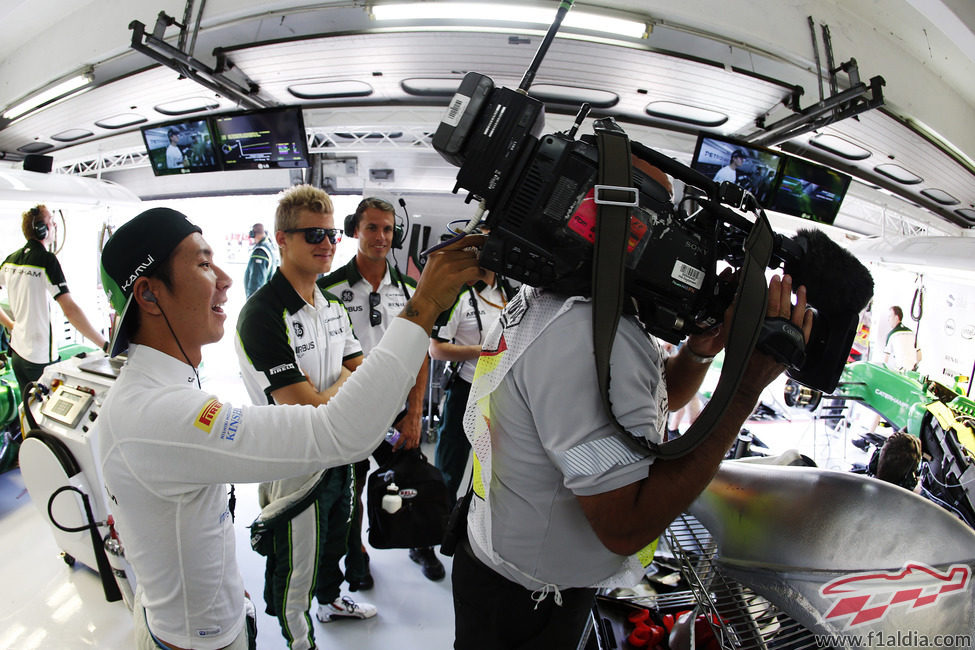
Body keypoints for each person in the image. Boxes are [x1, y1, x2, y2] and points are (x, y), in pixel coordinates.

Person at [451, 168, 814, 648]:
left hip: (511, 573)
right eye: (662, 216)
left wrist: (700, 352)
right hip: (524, 605)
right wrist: (745, 389)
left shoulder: (559, 305)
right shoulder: (588, 337)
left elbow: (635, 412)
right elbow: (625, 526)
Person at [96, 206, 484, 650]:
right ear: (148, 295)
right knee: (296, 568)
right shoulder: (158, 412)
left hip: (204, 620)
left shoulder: (157, 388)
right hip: (198, 641)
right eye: (204, 263)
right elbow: (337, 431)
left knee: (330, 546)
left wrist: (224, 590)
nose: (224, 279)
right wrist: (427, 304)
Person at [235, 186, 375, 649]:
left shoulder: (332, 305)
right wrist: (336, 394)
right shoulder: (261, 314)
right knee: (295, 566)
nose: (328, 243)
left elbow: (360, 372)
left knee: (335, 540)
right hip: (294, 466)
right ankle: (301, 642)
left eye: (332, 233)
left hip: (342, 455)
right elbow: (303, 407)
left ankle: (331, 601)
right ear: (282, 238)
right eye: (314, 233)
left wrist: (330, 394)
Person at [319, 197, 442, 583]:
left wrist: (415, 410)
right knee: (348, 492)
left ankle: (418, 544)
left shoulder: (411, 289)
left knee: (409, 481)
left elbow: (420, 349)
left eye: (388, 229)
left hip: (397, 411)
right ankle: (357, 557)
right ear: (355, 229)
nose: (381, 237)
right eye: (372, 227)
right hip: (347, 409)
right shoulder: (328, 289)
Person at [0, 205, 108, 399]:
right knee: (48, 413)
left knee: (28, 409)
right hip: (38, 357)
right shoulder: (45, 260)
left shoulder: (10, 260)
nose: (55, 225)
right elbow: (70, 310)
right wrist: (105, 345)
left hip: (17, 353)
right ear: (43, 229)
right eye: (51, 221)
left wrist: (10, 325)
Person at [429, 262, 515, 501]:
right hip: (466, 389)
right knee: (451, 462)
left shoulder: (508, 292)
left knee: (495, 465)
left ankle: (478, 522)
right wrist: (483, 351)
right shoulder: (460, 295)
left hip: (503, 391)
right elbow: (436, 349)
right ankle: (441, 525)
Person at [882, 305, 920, 372]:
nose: (888, 319)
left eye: (890, 317)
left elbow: (885, 361)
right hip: (913, 372)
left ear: (896, 318)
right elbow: (919, 356)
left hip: (900, 372)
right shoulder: (912, 333)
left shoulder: (892, 334)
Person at [243, 223, 276, 298]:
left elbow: (256, 284)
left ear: (253, 234)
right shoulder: (270, 247)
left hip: (259, 302)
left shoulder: (260, 252)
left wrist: (251, 306)